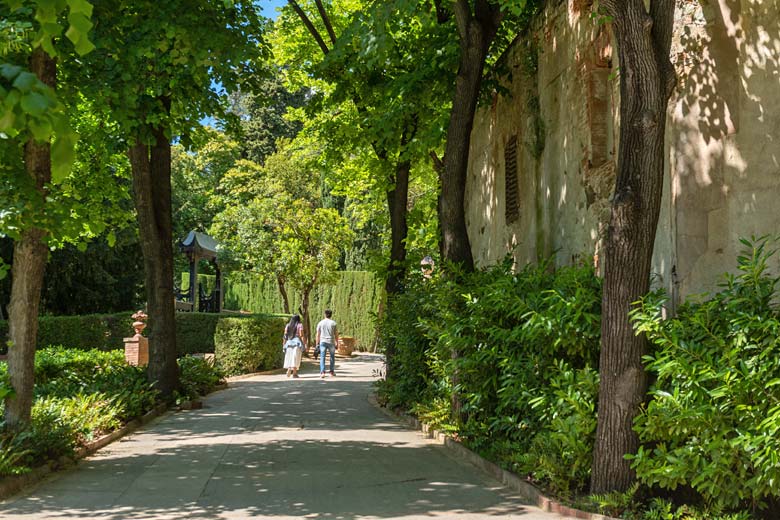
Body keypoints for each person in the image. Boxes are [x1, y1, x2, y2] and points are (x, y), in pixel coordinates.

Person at [315, 309, 339, 378]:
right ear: (331, 315)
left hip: (323, 341)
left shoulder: (320, 323)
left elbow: (318, 334)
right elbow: (336, 334)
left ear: (324, 314)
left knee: (322, 357)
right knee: (332, 357)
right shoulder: (333, 323)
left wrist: (317, 344)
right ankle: (331, 372)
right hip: (331, 342)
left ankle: (322, 372)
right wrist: (337, 342)